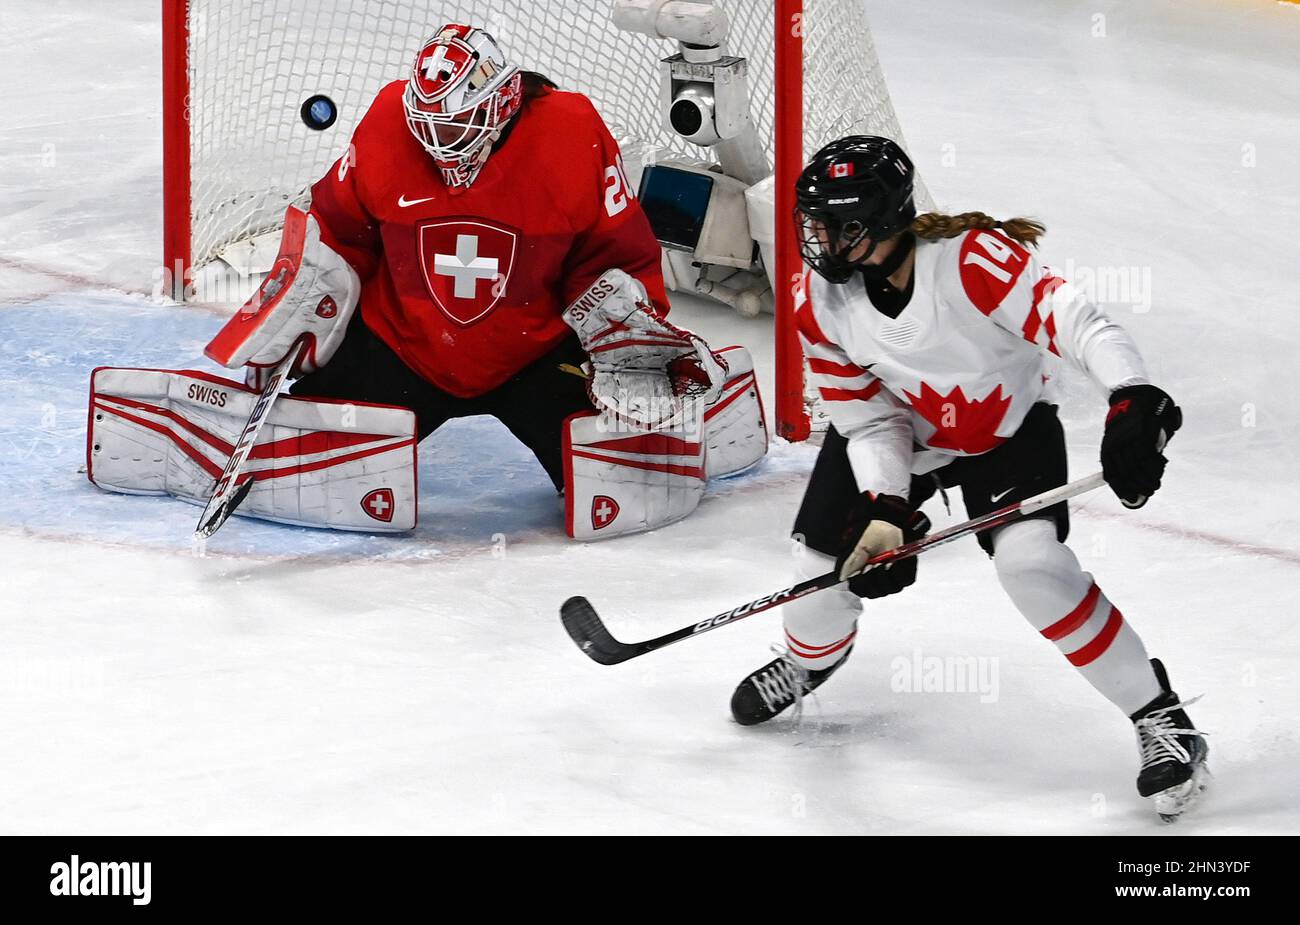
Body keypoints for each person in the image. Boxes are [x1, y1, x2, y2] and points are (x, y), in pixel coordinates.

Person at [729, 135, 1207, 821]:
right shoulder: (819, 300)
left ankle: (1161, 715)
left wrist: (1131, 396)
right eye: (817, 222)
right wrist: (885, 506)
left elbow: (1078, 323)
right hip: (902, 436)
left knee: (1033, 566)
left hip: (1005, 430)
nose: (820, 239)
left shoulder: (973, 261)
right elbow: (866, 422)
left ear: (888, 220)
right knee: (817, 572)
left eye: (841, 224)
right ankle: (811, 660)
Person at [186, 23, 767, 538]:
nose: (441, 141)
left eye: (460, 120)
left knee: (627, 476)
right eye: (430, 123)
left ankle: (703, 407)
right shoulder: (387, 122)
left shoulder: (570, 132)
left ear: (503, 101)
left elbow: (615, 249)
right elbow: (339, 227)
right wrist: (312, 293)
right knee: (304, 452)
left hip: (535, 354)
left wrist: (624, 316)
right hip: (405, 348)